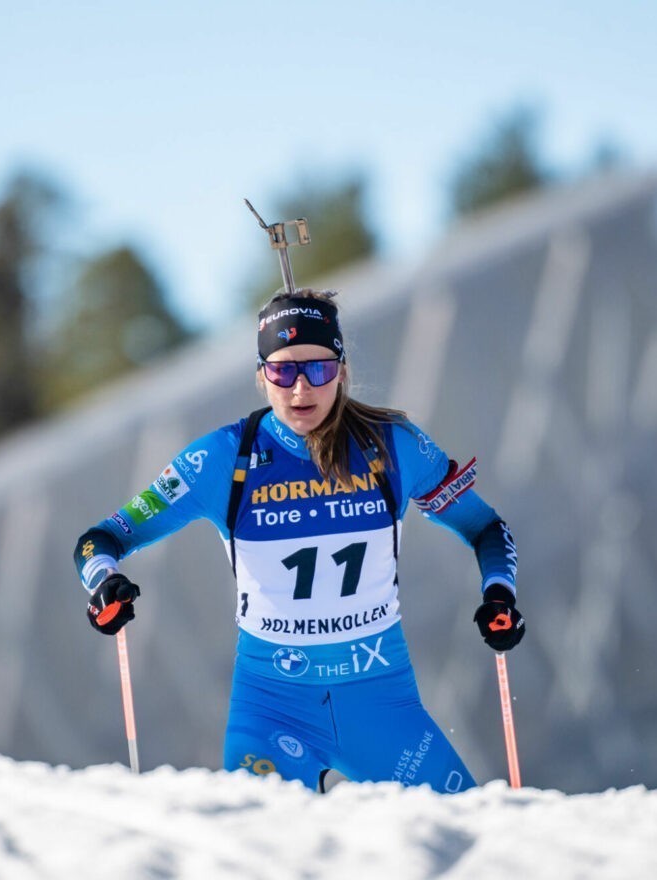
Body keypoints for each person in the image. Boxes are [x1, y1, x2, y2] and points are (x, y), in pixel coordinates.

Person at [72, 288, 523, 793]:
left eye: (319, 369)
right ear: (261, 376)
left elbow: (486, 527)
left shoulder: (393, 445)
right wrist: (104, 582)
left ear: (343, 370)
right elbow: (101, 538)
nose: (301, 388)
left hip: (379, 700)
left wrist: (499, 594)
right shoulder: (223, 459)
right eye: (284, 371)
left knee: (474, 847)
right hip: (271, 707)